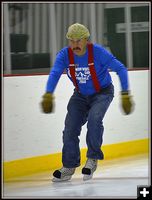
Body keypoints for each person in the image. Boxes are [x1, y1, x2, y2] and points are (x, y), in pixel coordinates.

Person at [41, 23, 134, 182]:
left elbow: (121, 69)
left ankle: (92, 158)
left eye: (79, 40)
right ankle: (69, 166)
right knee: (70, 128)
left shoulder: (98, 52)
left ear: (86, 40)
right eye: (72, 41)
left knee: (94, 120)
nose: (75, 44)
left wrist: (125, 93)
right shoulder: (64, 55)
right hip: (80, 95)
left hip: (102, 93)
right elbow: (55, 72)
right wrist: (48, 94)